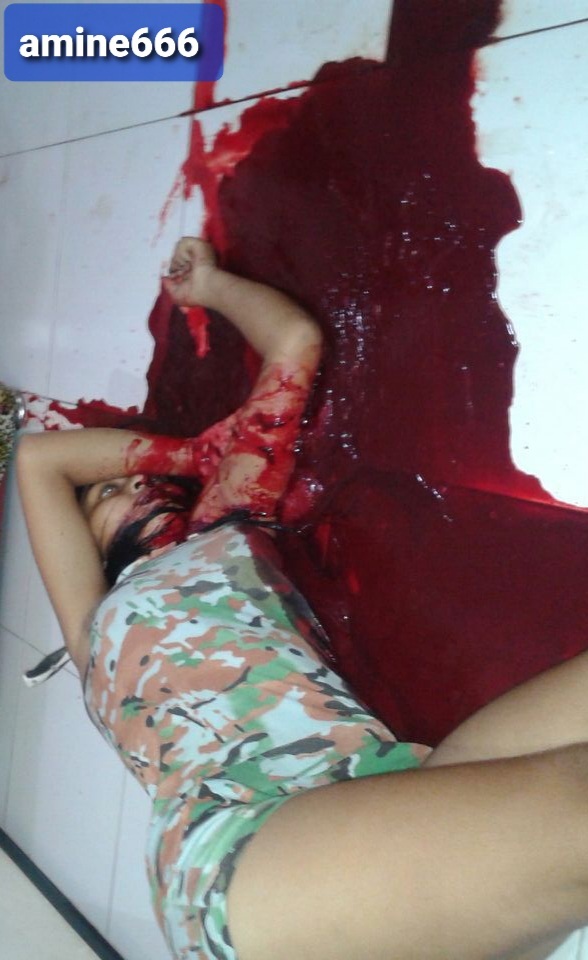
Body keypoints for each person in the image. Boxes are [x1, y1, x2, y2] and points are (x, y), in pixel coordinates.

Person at [15, 237, 588, 960]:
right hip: (286, 840)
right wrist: (184, 455)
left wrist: (208, 289)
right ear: (92, 549)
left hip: (320, 815)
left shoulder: (227, 521)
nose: (132, 481)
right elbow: (43, 461)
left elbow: (294, 342)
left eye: (134, 477)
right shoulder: (90, 625)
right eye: (106, 492)